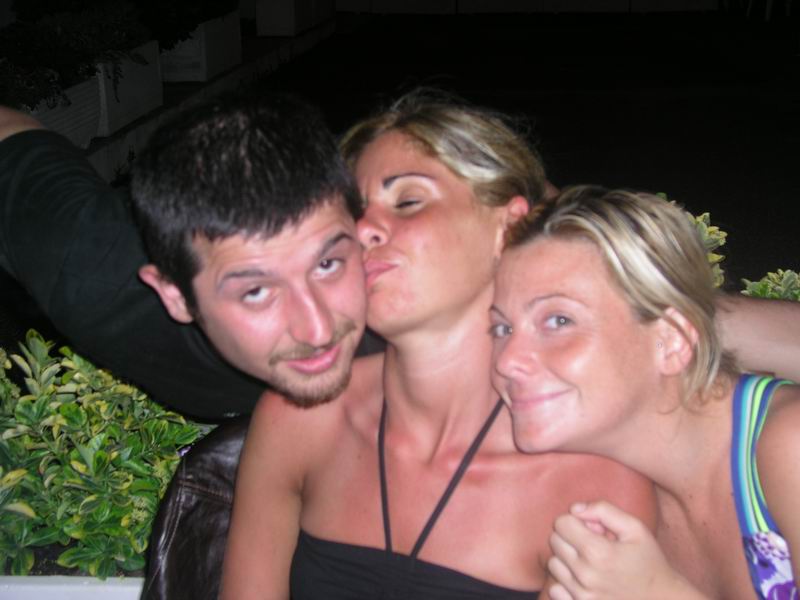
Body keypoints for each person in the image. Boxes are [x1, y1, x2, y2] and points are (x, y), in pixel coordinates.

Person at [221, 91, 658, 599]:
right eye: (352, 215)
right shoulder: (301, 419)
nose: (363, 232)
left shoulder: (590, 487)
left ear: (508, 226)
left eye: (408, 202)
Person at [490, 185, 800, 600]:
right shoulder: (608, 497)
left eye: (559, 320)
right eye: (501, 328)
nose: (507, 360)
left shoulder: (787, 444)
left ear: (670, 340)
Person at [0, 98, 383, 419]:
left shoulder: (405, 268)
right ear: (176, 297)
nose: (317, 331)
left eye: (328, 264)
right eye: (255, 292)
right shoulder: (98, 277)